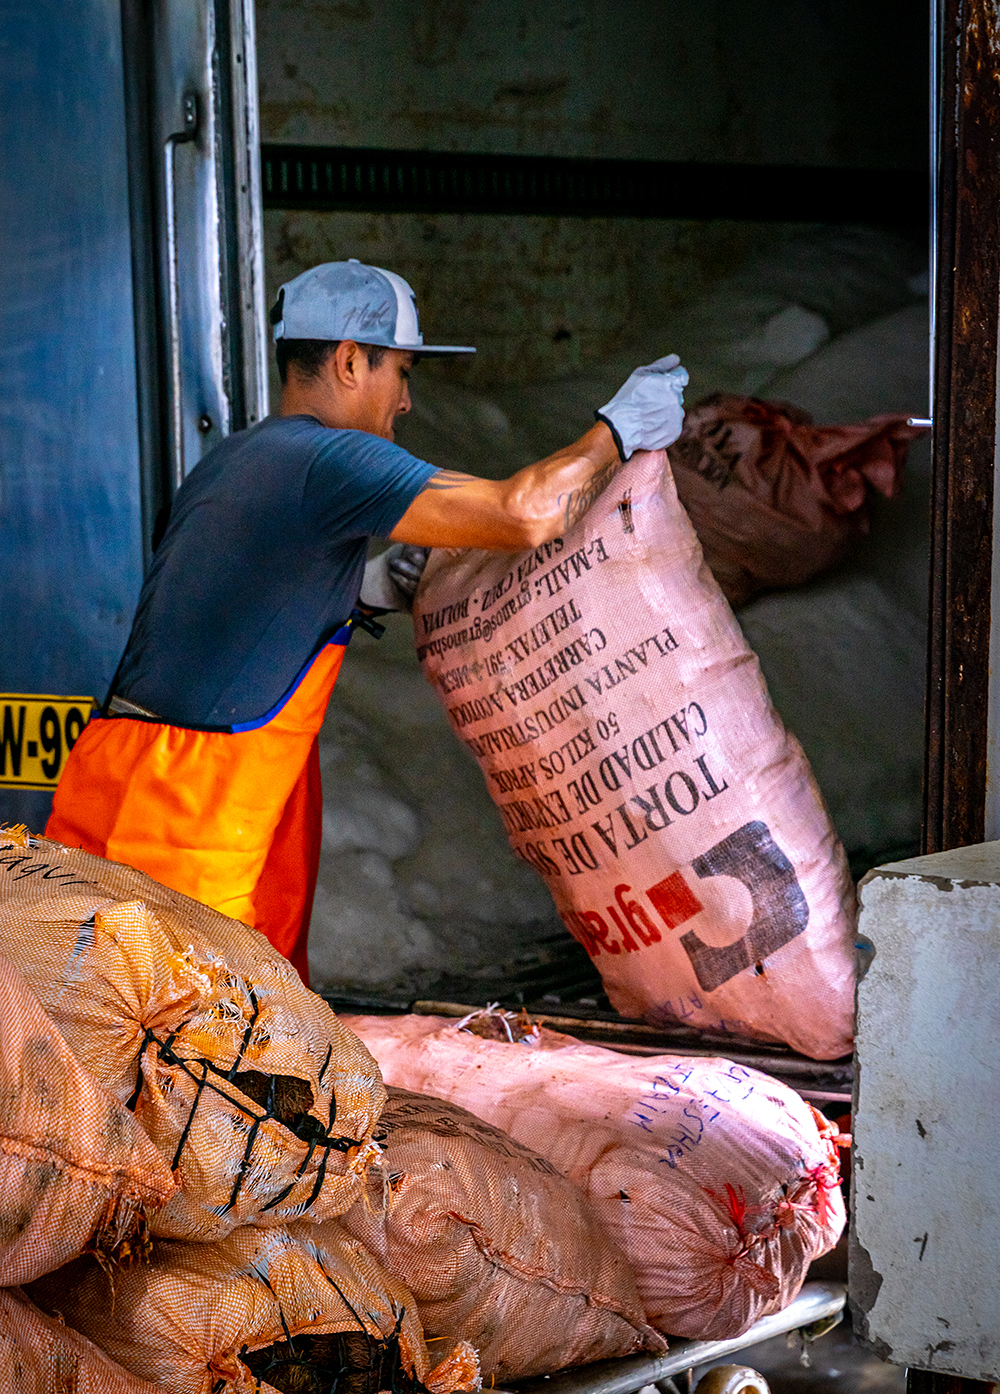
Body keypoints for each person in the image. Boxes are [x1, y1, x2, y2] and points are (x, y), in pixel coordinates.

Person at [46, 260, 687, 983]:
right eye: (402, 374)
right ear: (351, 361)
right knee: (183, 1053)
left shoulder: (237, 460)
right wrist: (618, 430)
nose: (407, 401)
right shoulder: (330, 460)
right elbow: (523, 513)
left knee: (135, 1037)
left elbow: (229, 610)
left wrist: (367, 589)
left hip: (130, 781)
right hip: (188, 816)